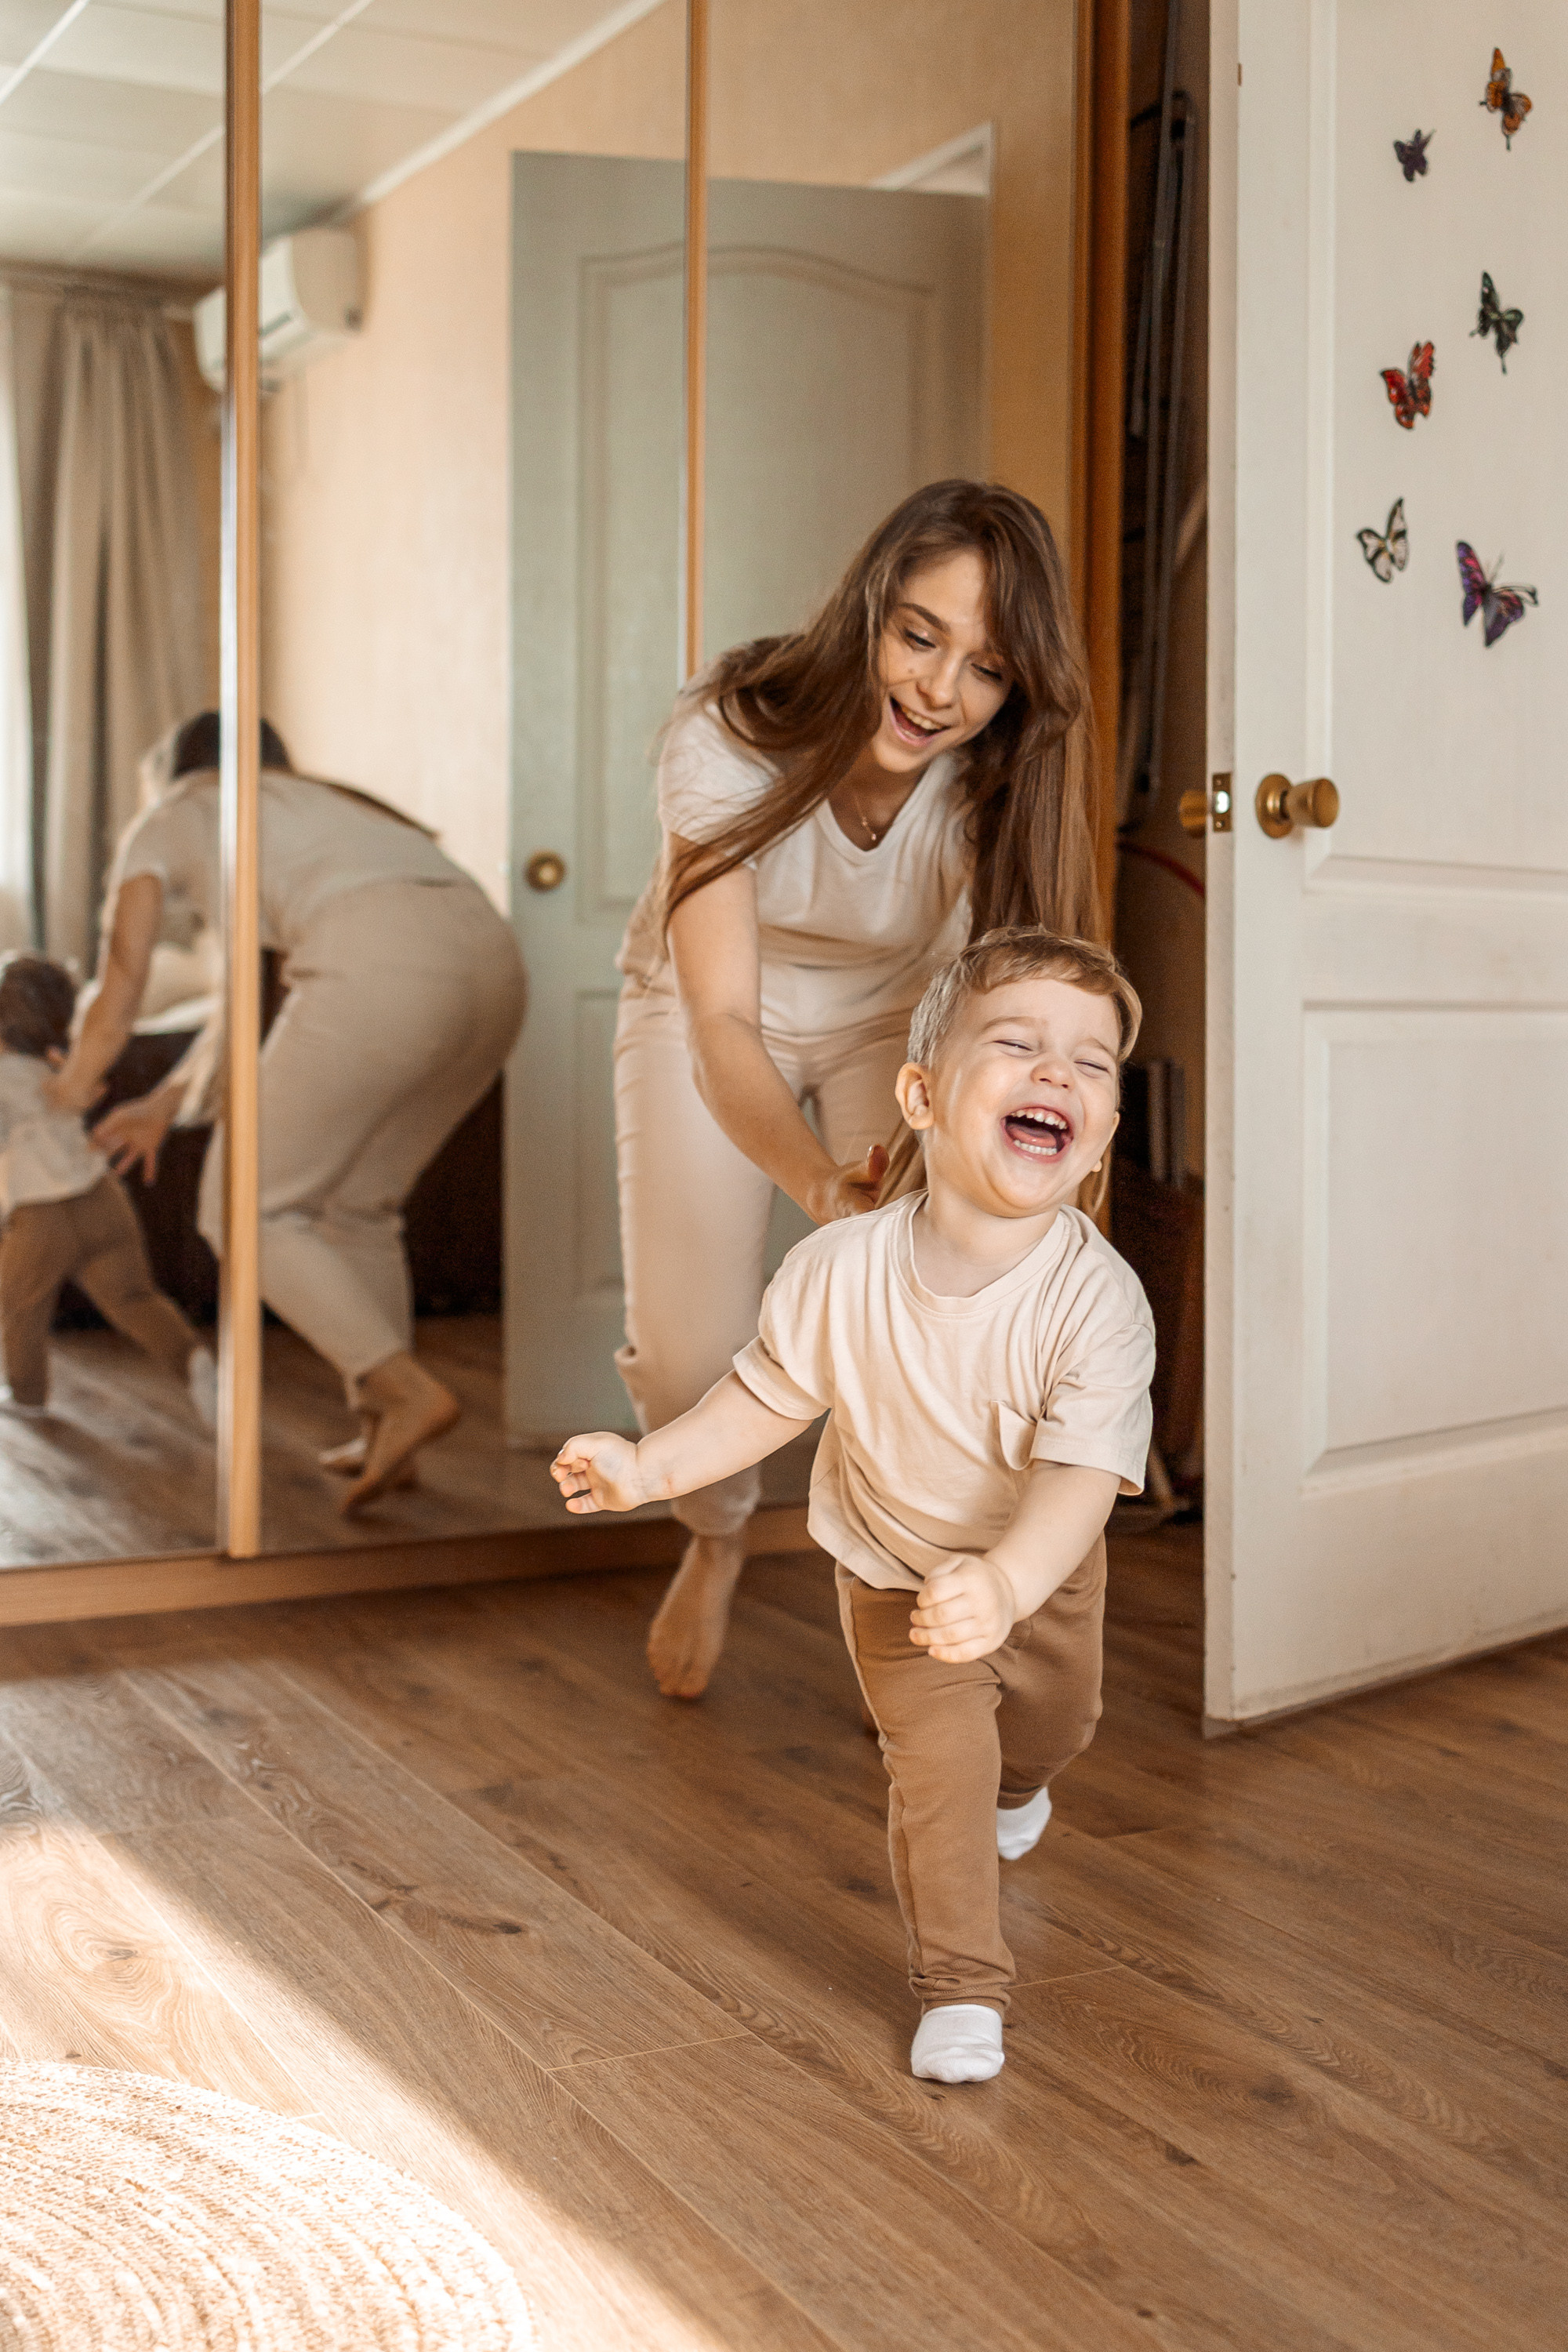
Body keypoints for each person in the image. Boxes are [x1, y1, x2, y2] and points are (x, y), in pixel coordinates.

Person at [555, 930, 1154, 2083]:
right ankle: (961, 1989)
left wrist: (1011, 1584)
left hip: (1042, 1570)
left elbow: (1081, 1479)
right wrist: (647, 1467)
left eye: (1092, 1066)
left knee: (1052, 1730)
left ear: (1099, 1144)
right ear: (922, 1096)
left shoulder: (1099, 1304)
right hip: (893, 1574)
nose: (1057, 1076)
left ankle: (1022, 1786)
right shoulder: (839, 1271)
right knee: (939, 1778)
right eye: (1019, 1045)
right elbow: (759, 1400)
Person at [617, 478, 1099, 1700]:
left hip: (899, 1015)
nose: (940, 691)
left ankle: (916, 1637)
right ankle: (717, 1531)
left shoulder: (994, 781)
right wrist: (820, 1185)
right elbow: (721, 1018)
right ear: (868, 611)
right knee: (687, 1358)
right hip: (716, 1006)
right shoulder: (731, 728)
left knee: (927, 1329)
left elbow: (1024, 1010)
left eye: (986, 667)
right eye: (919, 636)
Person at [48, 713, 526, 1510]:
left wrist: (67, 1089)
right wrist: (167, 1101)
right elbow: (241, 1002)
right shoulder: (331, 811)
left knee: (241, 1208)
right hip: (495, 967)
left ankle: (401, 1389)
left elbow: (123, 974)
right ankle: (387, 1431)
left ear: (168, 771)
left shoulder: (174, 811)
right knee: (361, 1207)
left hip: (380, 966)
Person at [0, 952, 216, 1421]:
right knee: (134, 1297)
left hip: (42, 1217)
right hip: (102, 1200)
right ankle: (194, 1362)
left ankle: (28, 1397)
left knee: (18, 1306)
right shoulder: (65, 1069)